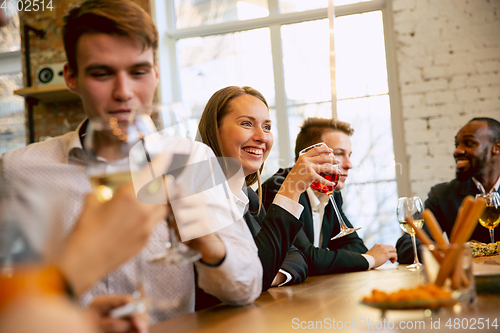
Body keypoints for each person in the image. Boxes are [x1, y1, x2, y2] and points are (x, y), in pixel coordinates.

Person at [0, 0, 261, 324]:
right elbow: (10, 304)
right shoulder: (18, 171)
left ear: (155, 74)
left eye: (138, 72)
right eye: (101, 73)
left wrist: (205, 241)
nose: (123, 92)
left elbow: (248, 286)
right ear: (71, 77)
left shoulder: (189, 159)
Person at [197, 86, 340, 292]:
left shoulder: (251, 199)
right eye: (246, 124)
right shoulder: (200, 197)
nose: (262, 137)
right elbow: (243, 281)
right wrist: (290, 189)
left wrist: (267, 274)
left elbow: (297, 257)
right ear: (214, 130)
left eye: (267, 127)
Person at [262, 117, 397, 275]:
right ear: (310, 157)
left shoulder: (333, 194)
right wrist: (370, 260)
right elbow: (307, 258)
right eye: (339, 154)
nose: (349, 164)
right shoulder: (280, 189)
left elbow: (354, 246)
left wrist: (333, 258)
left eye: (349, 155)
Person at [396, 117, 500, 263]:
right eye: (456, 144)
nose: (458, 150)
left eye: (469, 143)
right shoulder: (442, 196)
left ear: (497, 148)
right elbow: (407, 245)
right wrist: (446, 254)